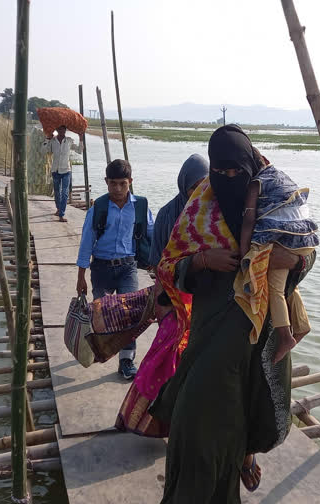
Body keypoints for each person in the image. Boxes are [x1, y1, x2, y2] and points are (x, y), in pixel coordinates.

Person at [150, 125, 316, 502]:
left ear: (250, 167)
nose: (227, 180)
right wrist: (203, 260)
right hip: (210, 340)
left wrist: (286, 259)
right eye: (219, 173)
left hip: (258, 347)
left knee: (238, 430)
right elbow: (167, 268)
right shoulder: (200, 209)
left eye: (235, 173)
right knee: (195, 432)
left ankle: (244, 457)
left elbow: (304, 251)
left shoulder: (275, 202)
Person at [116, 154, 209, 436]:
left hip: (204, 304)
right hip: (174, 300)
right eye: (195, 186)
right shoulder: (169, 214)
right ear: (184, 186)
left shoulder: (212, 212)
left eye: (205, 185)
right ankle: (143, 420)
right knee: (161, 365)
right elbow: (158, 263)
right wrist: (163, 303)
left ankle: (186, 423)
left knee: (197, 369)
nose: (200, 192)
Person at [76, 159, 154, 379]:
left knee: (129, 315)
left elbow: (151, 233)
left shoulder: (141, 206)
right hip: (100, 267)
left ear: (130, 182)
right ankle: (98, 348)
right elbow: (86, 242)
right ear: (106, 182)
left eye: (122, 183)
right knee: (100, 314)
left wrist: (159, 261)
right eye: (113, 183)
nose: (118, 189)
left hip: (127, 266)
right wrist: (81, 276)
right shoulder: (97, 208)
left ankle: (126, 360)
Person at [237, 154, 319, 364]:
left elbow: (248, 220)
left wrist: (245, 254)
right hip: (303, 238)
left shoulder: (257, 182)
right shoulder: (281, 176)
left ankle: (285, 337)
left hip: (281, 238)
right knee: (286, 288)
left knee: (274, 290)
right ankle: (301, 325)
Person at [40, 125, 73, 222]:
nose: (62, 131)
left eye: (64, 129)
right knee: (57, 192)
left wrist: (81, 139)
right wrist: (47, 139)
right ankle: (58, 209)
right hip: (55, 170)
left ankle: (61, 214)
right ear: (57, 130)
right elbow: (43, 151)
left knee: (65, 193)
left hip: (66, 170)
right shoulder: (52, 141)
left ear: (65, 130)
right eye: (60, 129)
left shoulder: (69, 141)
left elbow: (79, 150)